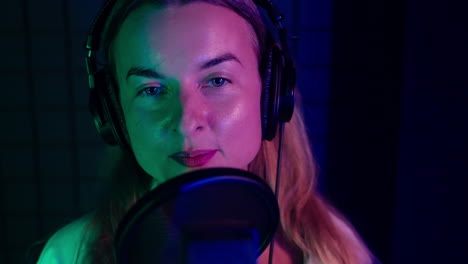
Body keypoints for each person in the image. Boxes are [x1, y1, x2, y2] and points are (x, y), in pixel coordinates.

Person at [37, 0, 377, 263]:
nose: (187, 121)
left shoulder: (334, 249)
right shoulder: (69, 254)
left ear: (271, 95)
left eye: (217, 80)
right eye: (152, 90)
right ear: (113, 113)